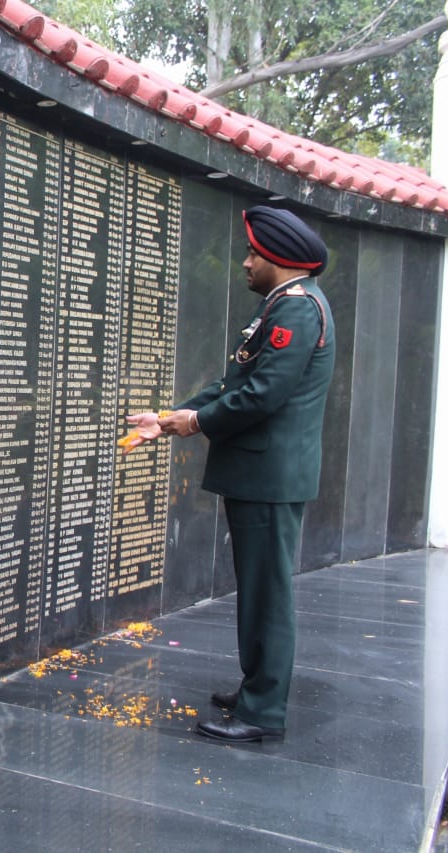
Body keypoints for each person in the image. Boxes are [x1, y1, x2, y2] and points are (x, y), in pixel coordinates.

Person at [122, 205, 336, 743]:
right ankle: (255, 689)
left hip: (269, 475)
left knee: (268, 593)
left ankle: (263, 711)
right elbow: (233, 382)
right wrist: (172, 419)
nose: (245, 264)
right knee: (259, 588)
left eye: (253, 255)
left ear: (278, 260)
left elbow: (262, 395)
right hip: (260, 474)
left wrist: (194, 423)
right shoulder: (280, 307)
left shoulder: (297, 311)